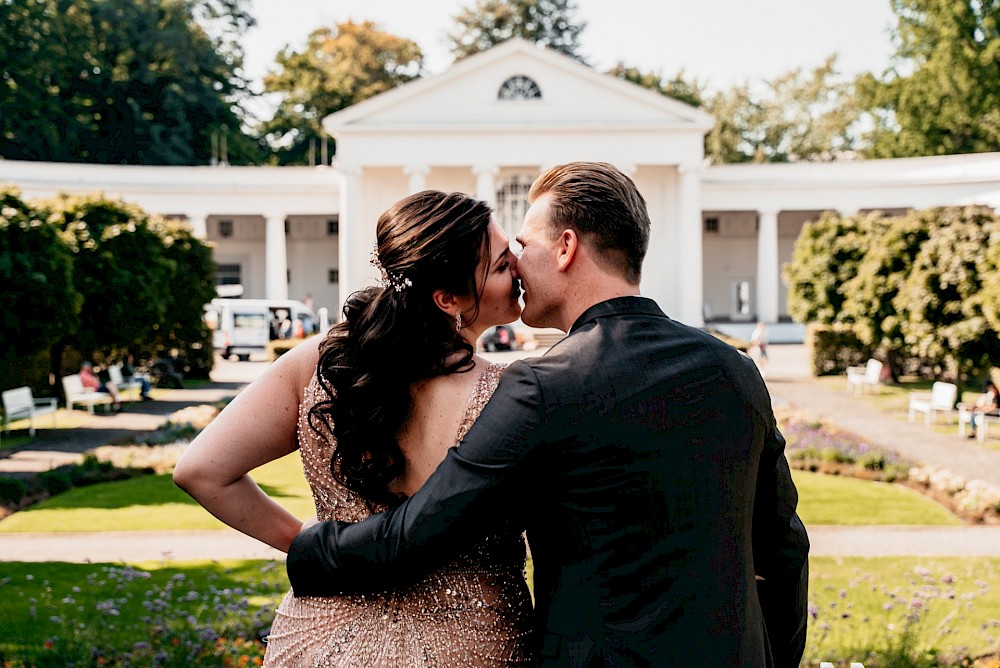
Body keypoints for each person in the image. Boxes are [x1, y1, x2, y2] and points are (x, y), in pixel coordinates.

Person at [287, 162, 811, 667]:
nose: (514, 262)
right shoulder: (735, 370)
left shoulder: (542, 386)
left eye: (523, 244)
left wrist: (308, 549)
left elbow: (417, 532)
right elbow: (784, 551)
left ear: (565, 248)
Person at [172, 190, 533, 666]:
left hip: (323, 640)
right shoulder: (510, 394)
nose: (521, 269)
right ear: (448, 299)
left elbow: (201, 469)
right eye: (503, 263)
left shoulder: (324, 363)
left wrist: (317, 546)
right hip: (472, 641)